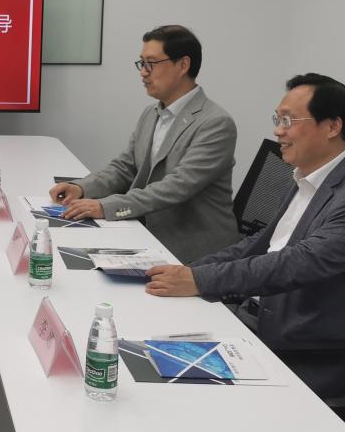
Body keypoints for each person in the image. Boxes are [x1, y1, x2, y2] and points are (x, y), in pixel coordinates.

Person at [145, 73, 345, 398]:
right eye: (277, 119)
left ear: (332, 126)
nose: (278, 130)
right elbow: (260, 245)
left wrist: (199, 280)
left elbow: (293, 264)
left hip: (301, 352)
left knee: (164, 391)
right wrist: (189, 271)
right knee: (147, 344)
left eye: (288, 120)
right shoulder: (307, 178)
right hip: (252, 319)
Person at [48, 25, 237, 263]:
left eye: (151, 63)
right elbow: (125, 167)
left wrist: (105, 207)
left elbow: (176, 187)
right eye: (142, 63)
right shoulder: (152, 113)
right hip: (146, 232)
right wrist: (82, 188)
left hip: (193, 252)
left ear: (183, 65)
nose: (143, 73)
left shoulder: (215, 123)